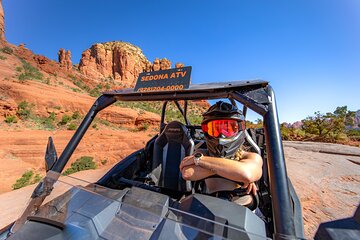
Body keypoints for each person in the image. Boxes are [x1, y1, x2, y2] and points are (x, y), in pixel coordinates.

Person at [180, 101, 263, 207]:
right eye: (214, 129)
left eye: (228, 129)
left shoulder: (251, 156)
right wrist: (233, 170)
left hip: (243, 209)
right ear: (206, 131)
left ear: (240, 129)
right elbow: (188, 173)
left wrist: (200, 161)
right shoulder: (204, 152)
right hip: (209, 207)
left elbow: (246, 173)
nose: (221, 135)